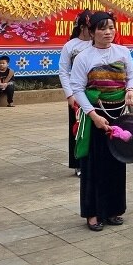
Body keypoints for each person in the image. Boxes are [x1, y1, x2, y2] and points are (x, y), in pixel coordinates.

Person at [70, 12, 133, 231]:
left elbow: (131, 76)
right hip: (96, 115)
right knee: (95, 166)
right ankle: (93, 213)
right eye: (102, 29)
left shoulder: (123, 52)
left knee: (117, 162)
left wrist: (130, 90)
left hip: (119, 114)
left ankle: (114, 210)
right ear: (91, 32)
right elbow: (77, 89)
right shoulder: (83, 57)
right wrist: (94, 116)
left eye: (111, 28)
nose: (108, 33)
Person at [58, 10, 93, 175]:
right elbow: (64, 71)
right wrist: (69, 94)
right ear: (81, 27)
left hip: (94, 92)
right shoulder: (70, 46)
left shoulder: (96, 44)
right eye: (90, 27)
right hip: (77, 94)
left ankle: (93, 162)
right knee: (78, 128)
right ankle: (79, 163)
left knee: (93, 128)